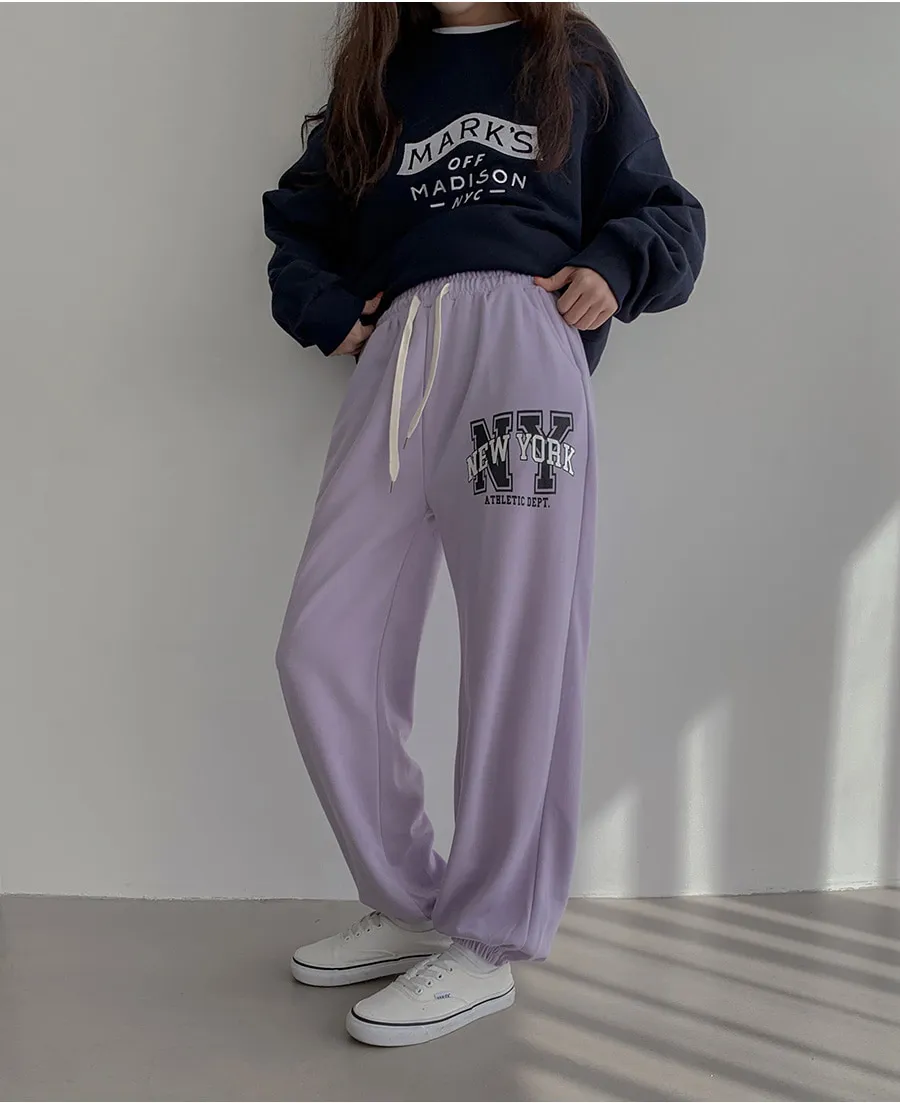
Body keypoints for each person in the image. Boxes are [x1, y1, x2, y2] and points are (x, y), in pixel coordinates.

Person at [263, 0, 704, 1047]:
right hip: (400, 358)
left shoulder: (569, 57)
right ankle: (413, 900)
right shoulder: (381, 74)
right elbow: (300, 217)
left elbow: (666, 209)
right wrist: (329, 311)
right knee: (322, 644)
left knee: (519, 648)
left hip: (522, 349)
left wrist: (614, 266)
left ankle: (491, 935)